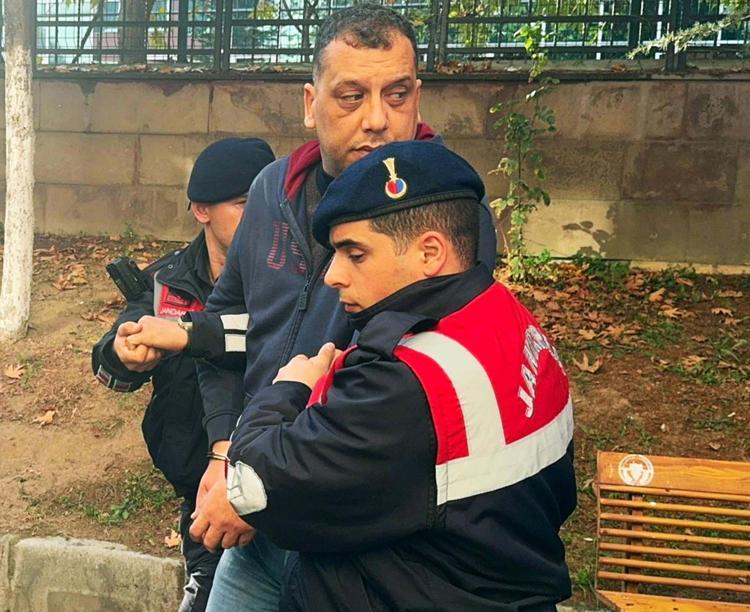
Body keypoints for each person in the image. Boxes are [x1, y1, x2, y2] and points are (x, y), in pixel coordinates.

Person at [124, 4, 498, 610]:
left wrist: (258, 484)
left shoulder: (449, 216)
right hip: (255, 509)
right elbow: (232, 325)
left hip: (354, 537)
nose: (377, 120)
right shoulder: (270, 189)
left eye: (397, 94)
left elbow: (389, 401)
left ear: (418, 97)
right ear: (310, 102)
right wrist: (224, 449)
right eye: (351, 97)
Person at [207, 140, 577, 610]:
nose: (333, 276)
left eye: (355, 254)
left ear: (430, 252)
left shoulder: (408, 382)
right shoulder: (505, 318)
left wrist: (289, 388)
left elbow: (254, 486)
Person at [91, 137, 275, 612]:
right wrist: (124, 353)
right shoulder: (165, 283)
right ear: (201, 210)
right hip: (202, 490)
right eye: (243, 203)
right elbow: (108, 365)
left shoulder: (290, 280)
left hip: (277, 480)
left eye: (265, 200)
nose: (259, 214)